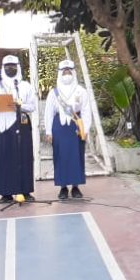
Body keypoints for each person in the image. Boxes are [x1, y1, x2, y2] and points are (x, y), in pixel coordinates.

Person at [0, 54, 39, 204]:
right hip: (3, 127)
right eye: (7, 66)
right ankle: (6, 193)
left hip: (22, 125)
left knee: (24, 157)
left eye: (13, 66)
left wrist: (19, 105)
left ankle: (25, 190)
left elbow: (32, 106)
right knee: (5, 159)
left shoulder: (25, 86)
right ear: (3, 68)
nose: (10, 68)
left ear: (18, 67)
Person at [43, 59, 93, 200]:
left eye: (69, 71)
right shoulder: (53, 93)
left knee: (76, 156)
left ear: (73, 73)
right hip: (58, 127)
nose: (67, 74)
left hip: (75, 126)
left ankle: (76, 187)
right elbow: (48, 113)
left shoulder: (81, 91)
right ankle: (63, 187)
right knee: (60, 156)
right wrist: (48, 131)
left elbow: (86, 111)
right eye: (64, 72)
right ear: (60, 73)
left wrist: (86, 129)